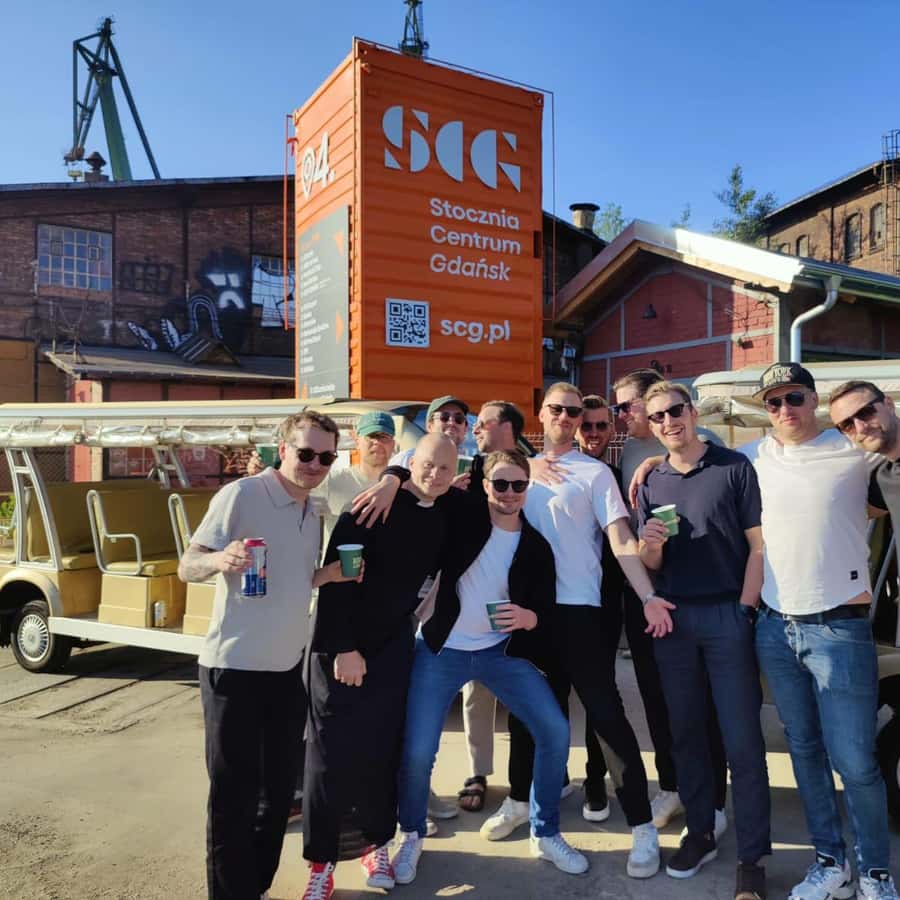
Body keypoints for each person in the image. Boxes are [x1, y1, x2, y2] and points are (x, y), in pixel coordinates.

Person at [483, 381, 666, 880]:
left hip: (580, 612)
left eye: (572, 411)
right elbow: (458, 478)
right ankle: (519, 800)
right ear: (540, 414)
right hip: (527, 614)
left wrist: (647, 594)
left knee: (606, 718)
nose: (565, 417)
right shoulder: (517, 472)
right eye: (556, 410)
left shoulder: (595, 473)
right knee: (527, 718)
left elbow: (620, 537)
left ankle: (642, 826)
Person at [178, 410, 357, 900]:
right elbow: (187, 564)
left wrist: (327, 576)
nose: (315, 464)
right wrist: (220, 558)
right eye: (306, 453)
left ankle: (254, 886)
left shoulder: (312, 511)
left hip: (285, 672)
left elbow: (294, 579)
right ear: (283, 450)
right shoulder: (241, 494)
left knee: (278, 795)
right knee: (233, 797)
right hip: (233, 669)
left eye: (326, 457)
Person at [392, 449, 588, 884]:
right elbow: (420, 480)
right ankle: (409, 835)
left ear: (527, 488)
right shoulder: (462, 517)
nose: (510, 493)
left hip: (501, 653)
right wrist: (390, 477)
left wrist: (528, 617)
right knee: (419, 750)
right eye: (500, 483)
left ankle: (545, 832)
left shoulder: (535, 545)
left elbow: (545, 611)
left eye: (519, 485)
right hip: (442, 650)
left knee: (555, 731)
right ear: (484, 485)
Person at [744, 363, 897, 900]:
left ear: (814, 401)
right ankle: (831, 863)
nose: (785, 409)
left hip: (840, 627)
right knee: (804, 751)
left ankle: (875, 873)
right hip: (775, 628)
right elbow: (694, 456)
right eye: (774, 401)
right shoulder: (753, 455)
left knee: (855, 761)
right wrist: (648, 464)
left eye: (795, 397)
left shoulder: (855, 449)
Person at [301, 433, 459, 900]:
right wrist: (344, 648)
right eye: (427, 464)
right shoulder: (370, 506)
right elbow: (337, 579)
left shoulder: (444, 513)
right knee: (329, 759)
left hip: (394, 647)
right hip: (340, 648)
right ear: (412, 462)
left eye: (446, 469)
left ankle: (376, 845)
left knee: (382, 752)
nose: (435, 475)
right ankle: (321, 863)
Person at [636, 381, 770, 900]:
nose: (668, 421)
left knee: (742, 741)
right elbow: (652, 562)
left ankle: (752, 858)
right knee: (687, 734)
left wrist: (745, 610)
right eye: (657, 416)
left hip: (726, 614)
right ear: (651, 426)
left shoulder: (733, 467)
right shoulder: (653, 480)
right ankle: (701, 833)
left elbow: (758, 546)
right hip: (674, 619)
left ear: (692, 413)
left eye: (675, 411)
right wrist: (650, 547)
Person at [614, 368, 729, 833]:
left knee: (704, 702)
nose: (622, 415)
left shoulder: (700, 439)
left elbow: (700, 457)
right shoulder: (629, 451)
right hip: (643, 594)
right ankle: (672, 786)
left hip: (691, 594)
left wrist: (658, 458)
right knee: (657, 698)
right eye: (618, 407)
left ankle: (713, 799)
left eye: (628, 405)